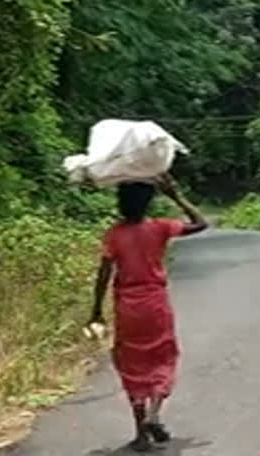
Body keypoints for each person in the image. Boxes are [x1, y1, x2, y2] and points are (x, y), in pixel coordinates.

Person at [87, 175, 208, 451]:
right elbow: (201, 223)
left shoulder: (114, 234)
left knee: (132, 364)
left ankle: (141, 432)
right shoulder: (160, 227)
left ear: (121, 204)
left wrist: (96, 310)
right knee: (162, 357)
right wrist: (175, 195)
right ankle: (154, 415)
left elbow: (104, 274)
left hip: (127, 307)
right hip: (155, 302)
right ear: (147, 203)